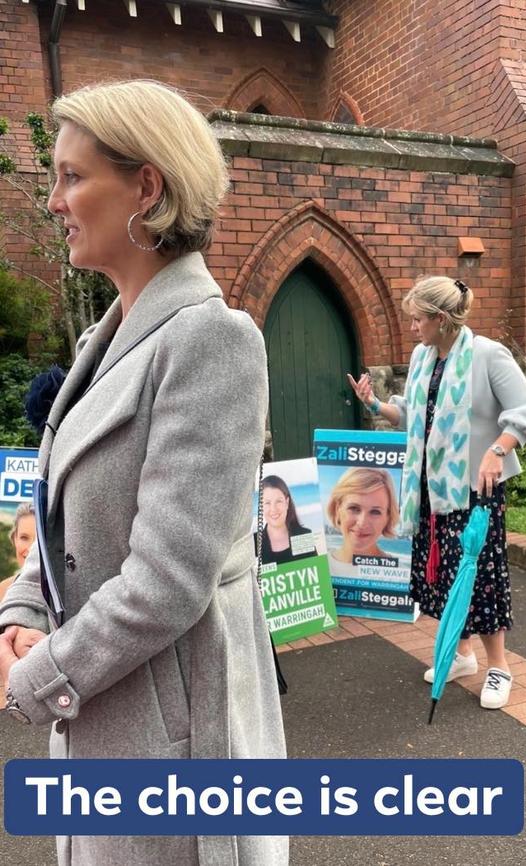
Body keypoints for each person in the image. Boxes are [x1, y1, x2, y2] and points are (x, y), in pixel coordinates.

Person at [0, 80, 287, 866]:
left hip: (175, 739)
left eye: (72, 176)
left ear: (146, 187)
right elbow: (61, 512)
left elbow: (168, 578)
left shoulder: (211, 340)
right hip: (105, 712)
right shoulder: (107, 336)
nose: (54, 199)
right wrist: (23, 606)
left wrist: (42, 674)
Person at [348, 276, 526, 710]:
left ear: (440, 319)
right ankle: (462, 655)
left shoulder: (488, 355)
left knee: (480, 578)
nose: (412, 327)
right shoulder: (422, 358)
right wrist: (375, 405)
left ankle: (499, 668)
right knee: (444, 576)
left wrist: (496, 450)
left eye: (418, 319)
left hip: (475, 490)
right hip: (431, 490)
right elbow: (413, 416)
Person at [326, 467, 399, 564]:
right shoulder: (317, 569)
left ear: (387, 518)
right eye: (354, 509)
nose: (362, 522)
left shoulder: (398, 573)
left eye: (375, 512)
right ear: (337, 509)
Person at [259, 474, 315, 565]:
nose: (273, 509)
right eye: (267, 503)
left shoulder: (302, 536)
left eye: (279, 501)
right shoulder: (254, 543)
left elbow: (317, 575)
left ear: (287, 502)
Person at [0, 504, 36, 603]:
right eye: (24, 538)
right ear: (14, 539)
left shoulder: (64, 591)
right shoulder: (3, 589)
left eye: (39, 540)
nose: (31, 548)